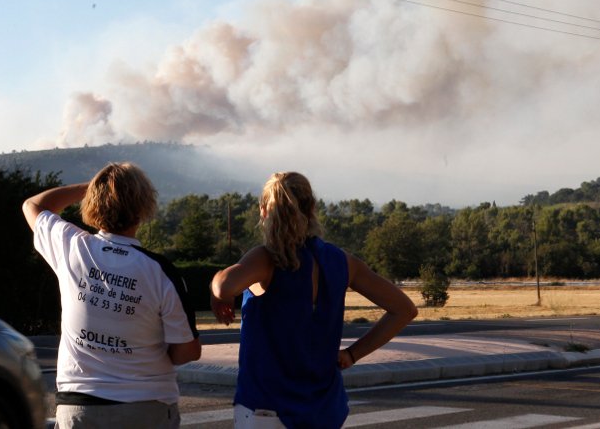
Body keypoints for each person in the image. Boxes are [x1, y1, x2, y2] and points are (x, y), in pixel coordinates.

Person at [210, 172, 417, 428]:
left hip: (267, 407)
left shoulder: (266, 259)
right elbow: (404, 309)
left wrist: (215, 287)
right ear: (312, 209)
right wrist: (352, 354)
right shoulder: (341, 261)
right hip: (324, 408)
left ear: (263, 211)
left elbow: (225, 286)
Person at [23, 162, 201, 429]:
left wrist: (93, 187)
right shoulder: (160, 271)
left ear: (92, 202)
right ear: (143, 209)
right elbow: (187, 351)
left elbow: (33, 205)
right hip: (147, 408)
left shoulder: (71, 245)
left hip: (79, 408)